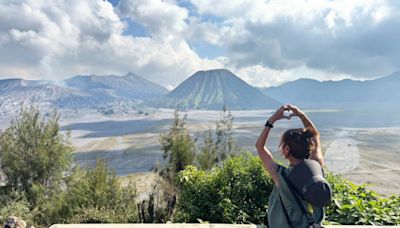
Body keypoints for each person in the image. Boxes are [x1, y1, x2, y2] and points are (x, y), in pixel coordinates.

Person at [256, 104, 325, 228]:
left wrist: (272, 120)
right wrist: (301, 115)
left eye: (283, 146)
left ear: (287, 149)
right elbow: (315, 135)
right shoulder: (316, 166)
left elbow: (259, 147)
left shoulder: (280, 175)